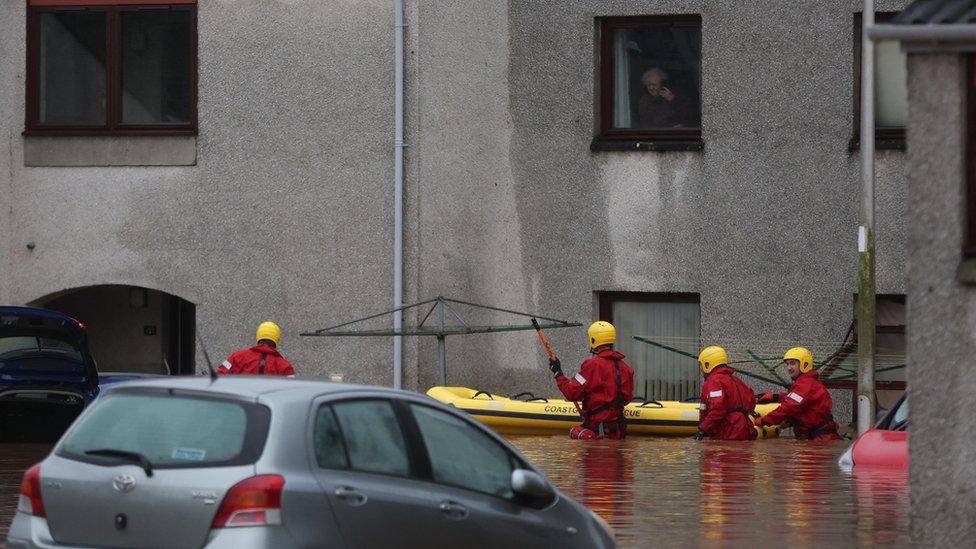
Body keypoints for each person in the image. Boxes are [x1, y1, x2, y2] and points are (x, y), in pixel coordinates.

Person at [549, 321, 634, 440]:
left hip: (598, 430)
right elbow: (626, 399)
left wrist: (558, 373)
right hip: (619, 430)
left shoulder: (592, 365)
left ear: (593, 340)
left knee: (576, 433)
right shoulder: (626, 368)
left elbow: (571, 392)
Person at [754, 347, 841, 440]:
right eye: (787, 364)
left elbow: (787, 408)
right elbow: (796, 399)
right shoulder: (809, 383)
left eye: (792, 363)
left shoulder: (805, 385)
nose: (789, 368)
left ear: (805, 364)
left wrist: (763, 420)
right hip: (822, 439)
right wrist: (775, 397)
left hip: (819, 440)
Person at [695, 346, 757, 441]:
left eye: (701, 365)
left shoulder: (714, 381)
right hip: (745, 430)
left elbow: (718, 409)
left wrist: (703, 429)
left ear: (707, 364)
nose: (701, 369)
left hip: (729, 432)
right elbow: (751, 403)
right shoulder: (736, 380)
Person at [217, 321, 296, 377]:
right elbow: (291, 392)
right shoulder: (285, 366)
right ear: (277, 340)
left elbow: (220, 375)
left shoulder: (237, 357)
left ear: (258, 337)